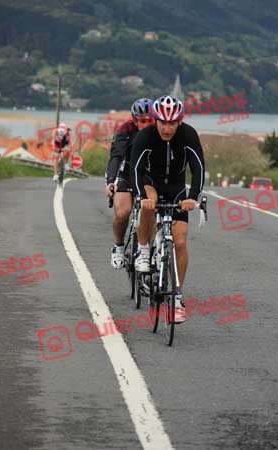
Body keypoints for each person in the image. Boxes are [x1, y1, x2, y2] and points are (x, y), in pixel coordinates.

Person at [130, 95, 205, 323]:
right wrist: (142, 196)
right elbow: (135, 169)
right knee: (149, 206)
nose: (166, 128)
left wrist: (193, 198)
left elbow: (198, 168)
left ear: (179, 122)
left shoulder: (188, 135)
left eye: (172, 123)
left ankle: (177, 299)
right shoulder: (145, 136)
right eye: (162, 123)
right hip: (150, 182)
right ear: (155, 120)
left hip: (177, 188)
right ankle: (144, 250)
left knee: (180, 242)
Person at [105, 98, 154, 269]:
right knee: (123, 212)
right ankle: (118, 246)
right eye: (142, 121)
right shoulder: (125, 129)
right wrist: (110, 181)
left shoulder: (160, 131)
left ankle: (148, 250)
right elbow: (116, 156)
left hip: (148, 176)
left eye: (150, 120)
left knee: (152, 210)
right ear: (134, 119)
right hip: (127, 174)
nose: (146, 124)